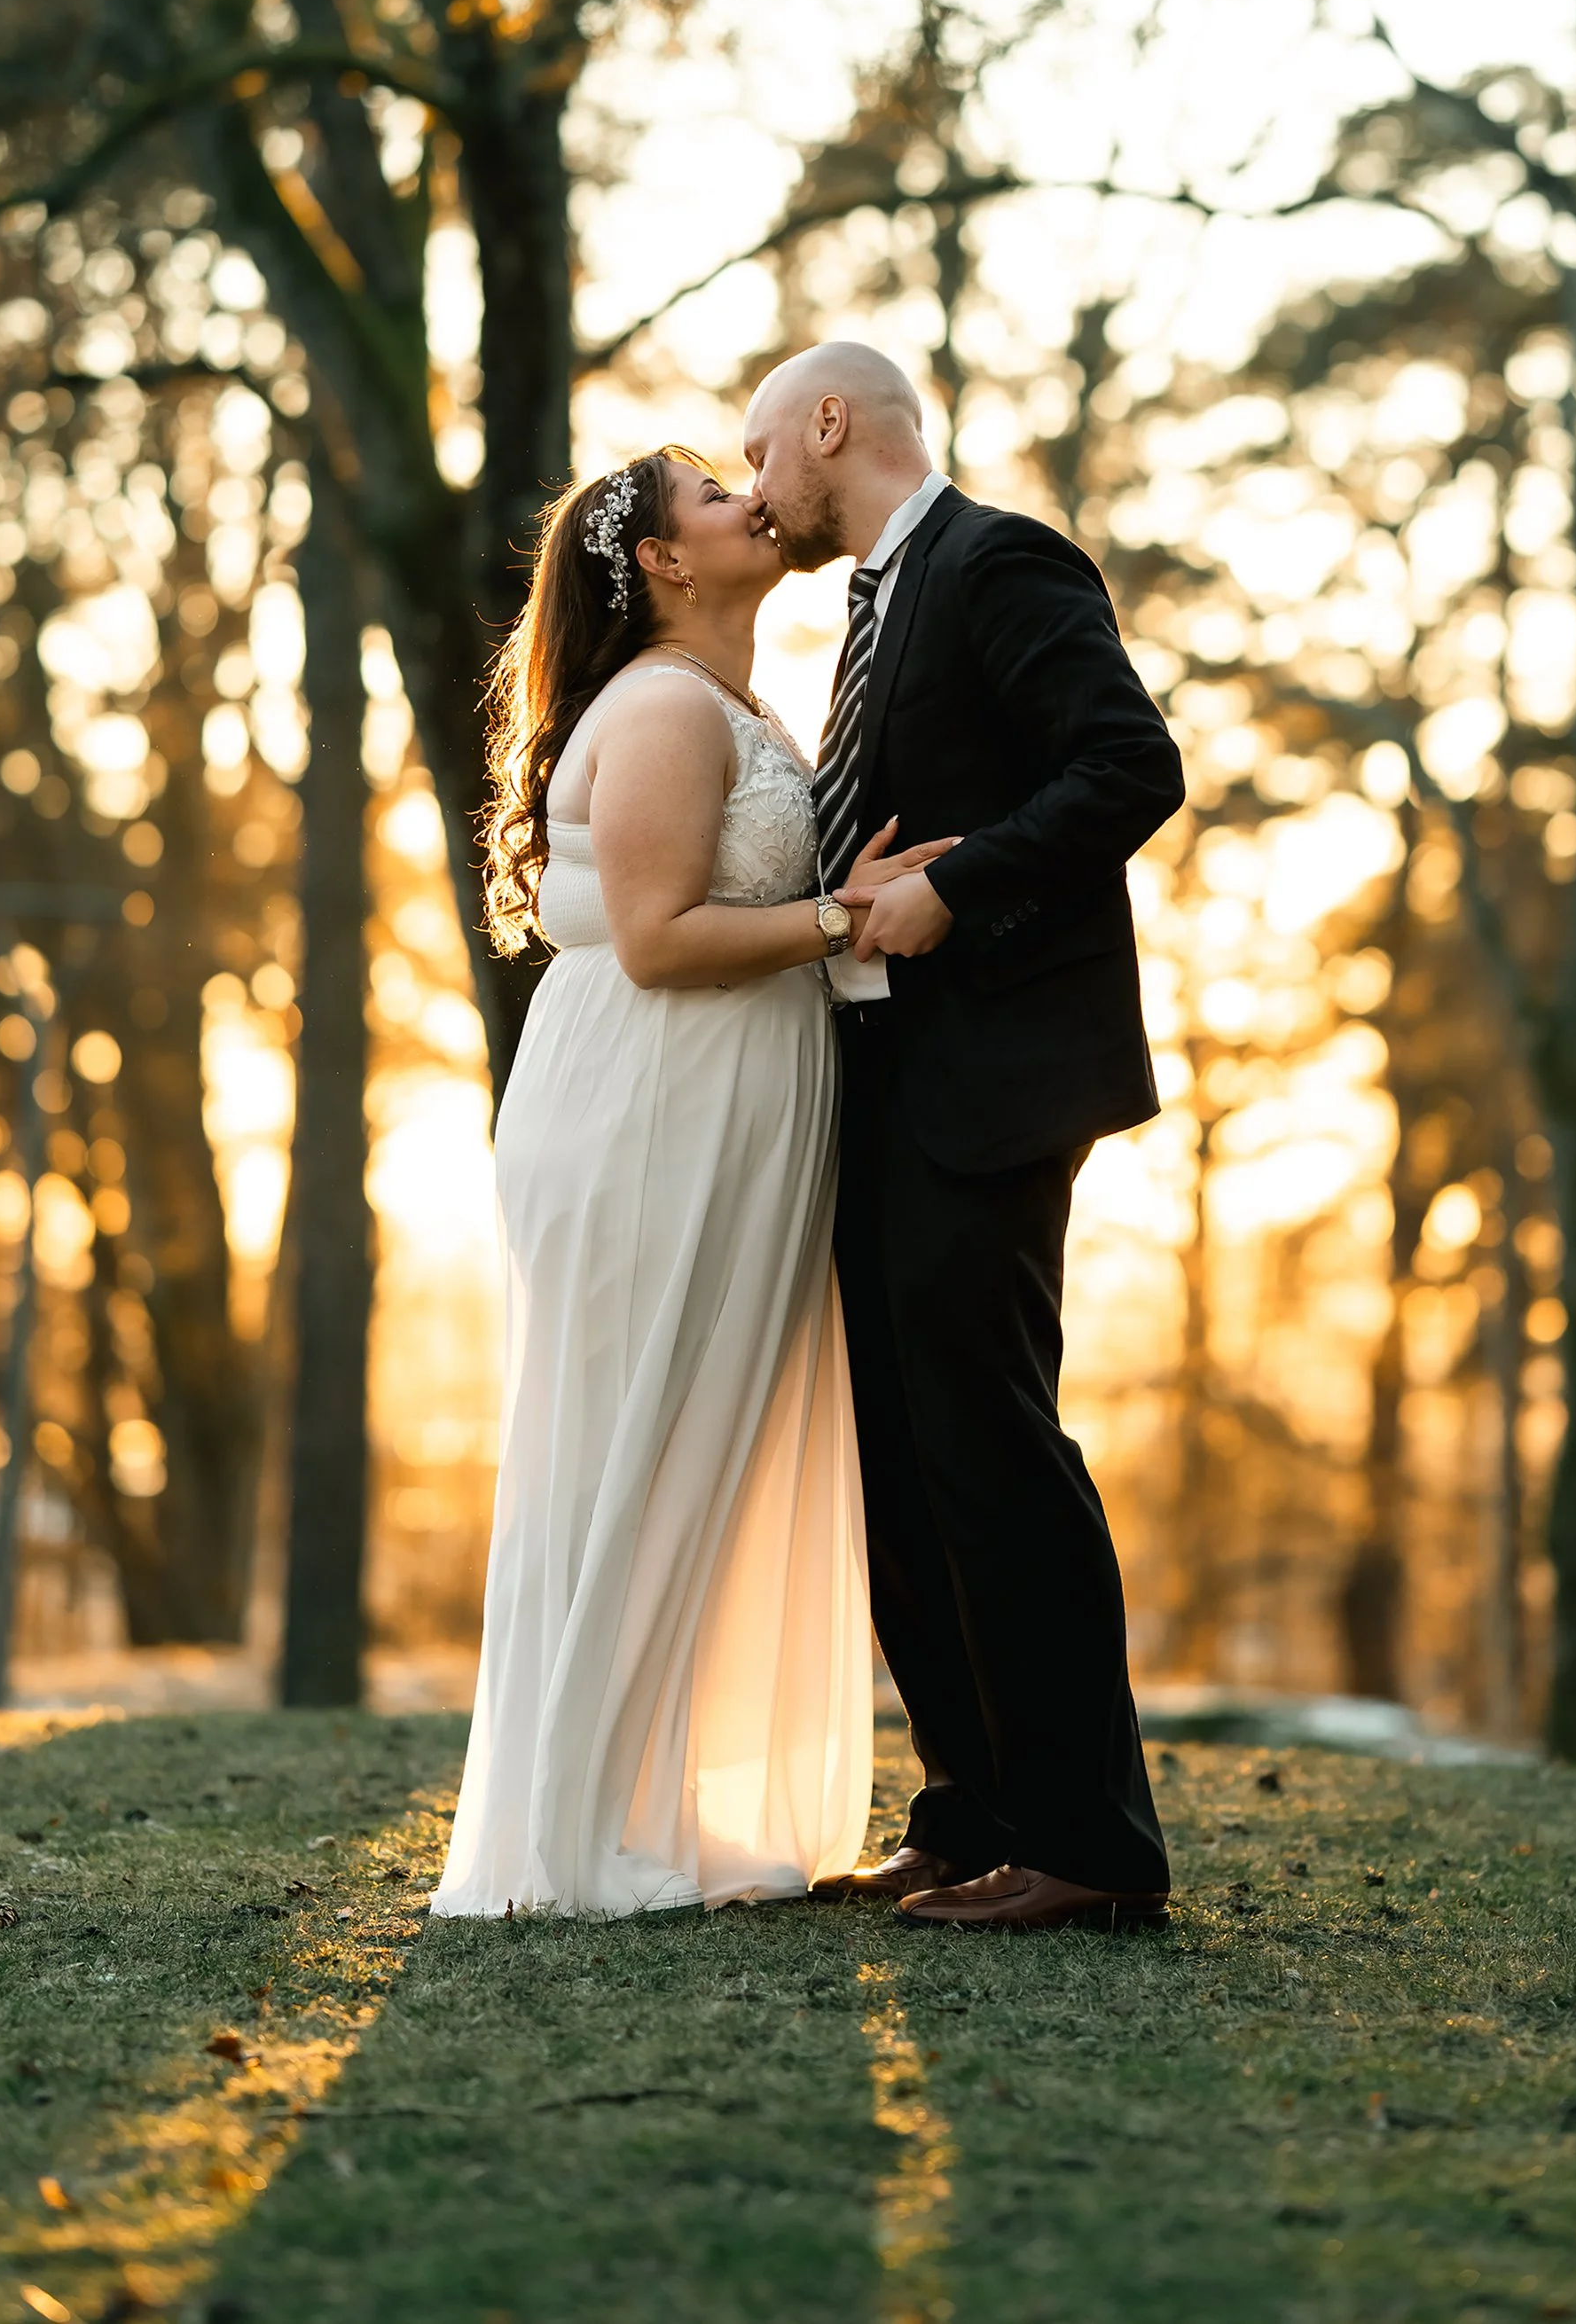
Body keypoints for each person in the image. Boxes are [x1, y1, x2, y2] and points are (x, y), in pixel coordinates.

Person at [431, 444, 950, 1915]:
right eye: (715, 500)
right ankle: (578, 1832)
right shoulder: (662, 704)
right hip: (649, 1104)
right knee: (637, 1441)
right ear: (661, 562)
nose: (750, 505)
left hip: (726, 1096)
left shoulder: (731, 702)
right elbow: (657, 939)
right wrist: (843, 917)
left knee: (699, 1441)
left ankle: (655, 1802)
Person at [742, 342, 1186, 1931]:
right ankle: (970, 1807)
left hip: (994, 1085)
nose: (751, 488)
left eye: (758, 450)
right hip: (881, 1082)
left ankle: (1088, 1846)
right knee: (901, 1460)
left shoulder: (998, 559)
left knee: (993, 1450)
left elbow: (1132, 768)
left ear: (833, 424)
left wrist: (952, 887)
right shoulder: (868, 612)